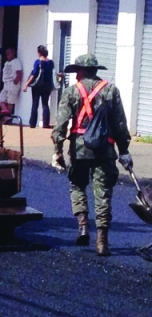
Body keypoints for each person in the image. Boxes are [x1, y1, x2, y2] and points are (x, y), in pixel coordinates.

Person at [51, 54, 132, 257]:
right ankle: (102, 241)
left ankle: (83, 226)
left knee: (77, 185)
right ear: (96, 70)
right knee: (103, 193)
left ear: (81, 71)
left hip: (79, 149)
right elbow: (120, 124)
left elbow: (60, 125)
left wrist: (57, 151)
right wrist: (124, 151)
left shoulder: (71, 92)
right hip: (105, 149)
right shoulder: (111, 90)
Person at [23, 44, 55, 129]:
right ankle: (45, 124)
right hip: (47, 86)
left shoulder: (38, 62)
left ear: (39, 52)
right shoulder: (51, 62)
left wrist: (26, 84)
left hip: (37, 86)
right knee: (45, 104)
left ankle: (33, 123)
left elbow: (34, 74)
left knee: (35, 104)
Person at [0, 47, 24, 120]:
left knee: (10, 102)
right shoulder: (6, 63)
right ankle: (7, 116)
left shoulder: (16, 62)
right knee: (0, 100)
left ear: (13, 53)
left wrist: (15, 82)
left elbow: (19, 73)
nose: (7, 54)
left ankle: (7, 118)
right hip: (6, 83)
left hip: (12, 84)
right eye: (6, 53)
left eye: (9, 52)